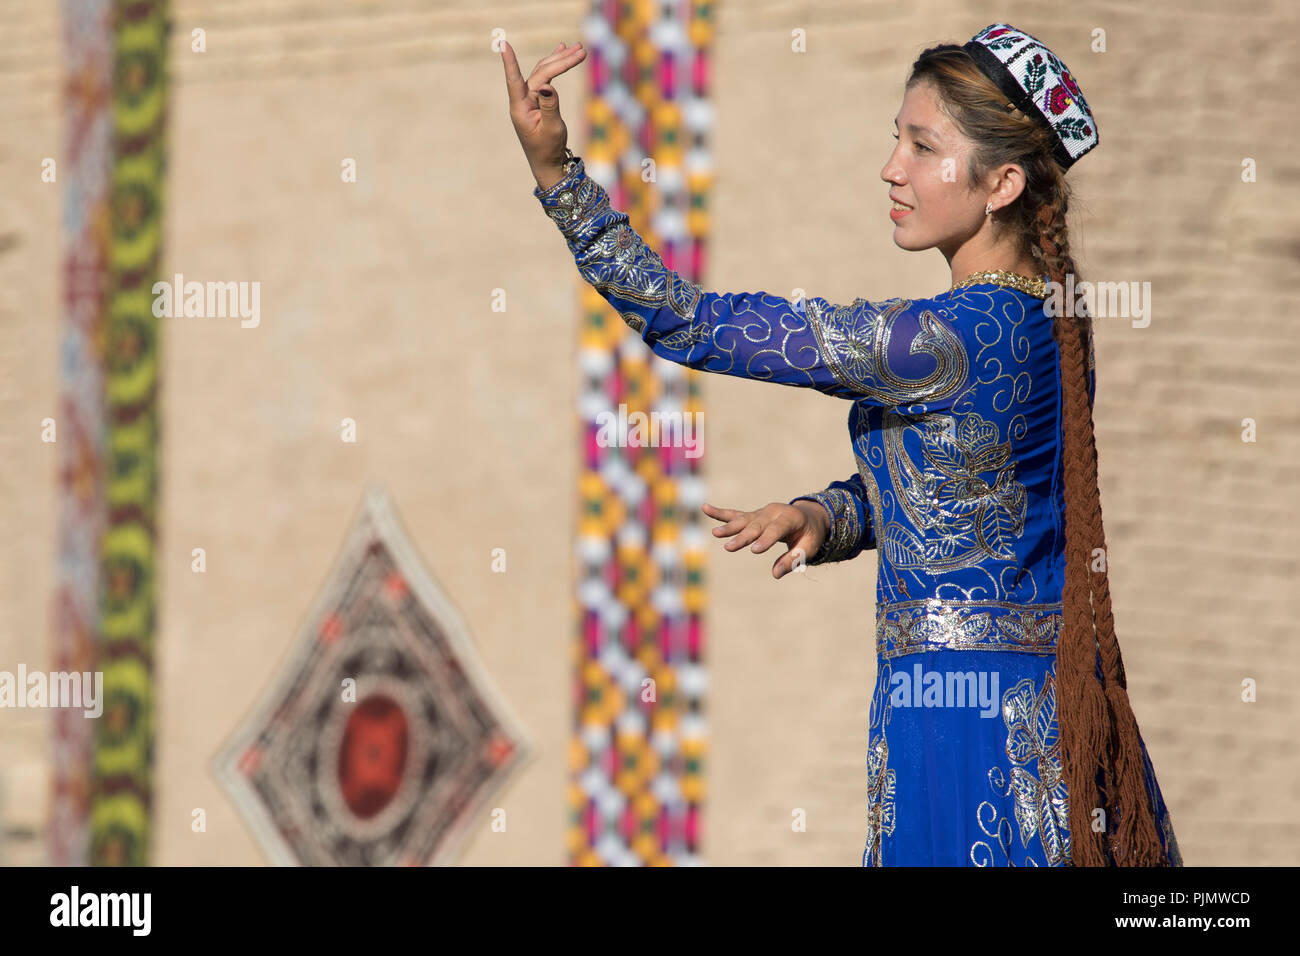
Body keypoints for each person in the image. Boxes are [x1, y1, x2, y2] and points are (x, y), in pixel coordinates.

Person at [502, 23, 1182, 866]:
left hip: (971, 736)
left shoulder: (945, 339)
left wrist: (553, 172)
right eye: (895, 138)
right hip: (979, 707)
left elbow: (687, 322)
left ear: (1001, 182)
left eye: (921, 145)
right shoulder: (1043, 316)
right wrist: (828, 515)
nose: (892, 167)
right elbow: (965, 488)